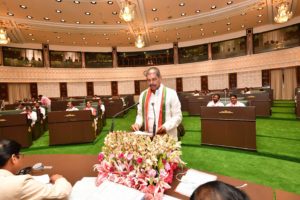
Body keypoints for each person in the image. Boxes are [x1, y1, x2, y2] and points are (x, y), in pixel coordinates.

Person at [0, 139, 72, 200]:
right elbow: (62, 193)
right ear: (14, 158)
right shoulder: (21, 183)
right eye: (20, 155)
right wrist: (59, 179)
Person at [131, 67, 182, 140]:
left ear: (160, 78)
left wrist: (165, 127)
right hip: (148, 138)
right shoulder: (143, 95)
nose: (151, 82)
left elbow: (178, 116)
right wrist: (137, 124)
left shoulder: (171, 93)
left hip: (168, 137)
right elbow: (140, 115)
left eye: (154, 79)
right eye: (149, 80)